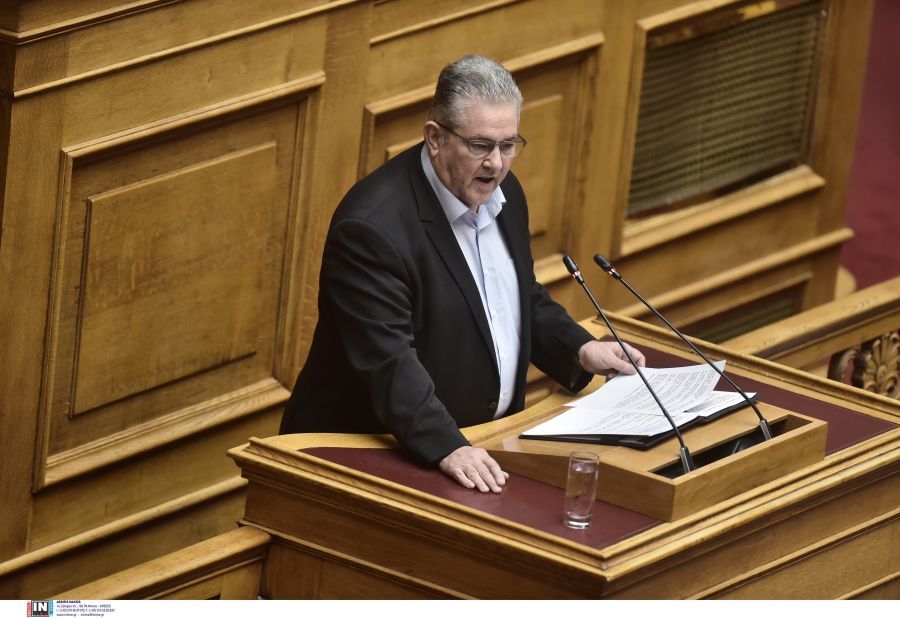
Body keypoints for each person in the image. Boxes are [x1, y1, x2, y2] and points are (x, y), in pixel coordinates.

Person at [280, 54, 644, 493]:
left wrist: (580, 349)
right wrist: (448, 446)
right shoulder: (372, 229)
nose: (496, 164)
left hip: (480, 447)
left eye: (508, 145)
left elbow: (514, 297)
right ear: (435, 138)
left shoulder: (503, 193)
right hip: (368, 459)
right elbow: (388, 361)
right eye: (480, 145)